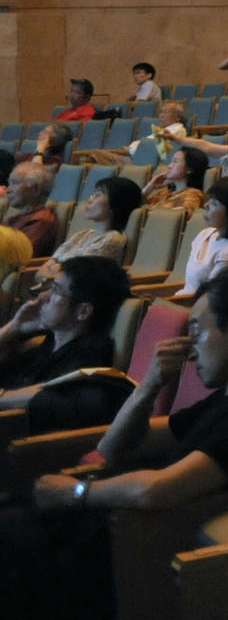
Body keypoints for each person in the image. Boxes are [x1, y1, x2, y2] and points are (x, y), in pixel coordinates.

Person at [1, 267, 228, 620]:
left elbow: (158, 489)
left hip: (129, 553)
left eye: (198, 331)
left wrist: (77, 492)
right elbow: (113, 446)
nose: (190, 347)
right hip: (103, 529)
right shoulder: (227, 399)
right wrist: (150, 384)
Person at [0, 256, 132, 426]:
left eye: (55, 290)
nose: (42, 296)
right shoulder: (49, 345)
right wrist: (13, 329)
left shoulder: (88, 363)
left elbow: (56, 402)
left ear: (83, 312)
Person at [173, 176, 228, 299]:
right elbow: (189, 286)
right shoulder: (205, 234)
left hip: (197, 311)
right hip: (182, 301)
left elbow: (212, 298)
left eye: (215, 203)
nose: (206, 205)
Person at [42, 175, 139, 271]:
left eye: (97, 195)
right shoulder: (82, 234)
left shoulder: (112, 239)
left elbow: (73, 270)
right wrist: (47, 270)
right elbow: (52, 260)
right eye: (92, 195)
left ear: (115, 204)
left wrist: (48, 271)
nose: (89, 200)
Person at [3, 163, 60, 258]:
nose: (8, 190)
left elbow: (19, 257)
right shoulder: (16, 218)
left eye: (15, 183)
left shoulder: (41, 221)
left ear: (36, 190)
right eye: (9, 183)